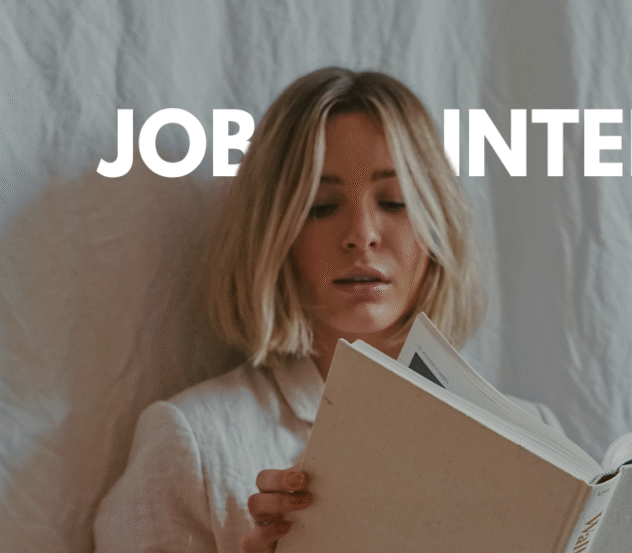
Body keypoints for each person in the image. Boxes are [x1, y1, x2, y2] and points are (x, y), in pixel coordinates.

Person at [94, 67, 560, 553]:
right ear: (274, 234)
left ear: (437, 226)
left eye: (394, 202)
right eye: (321, 206)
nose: (362, 234)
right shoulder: (194, 442)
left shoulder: (534, 439)